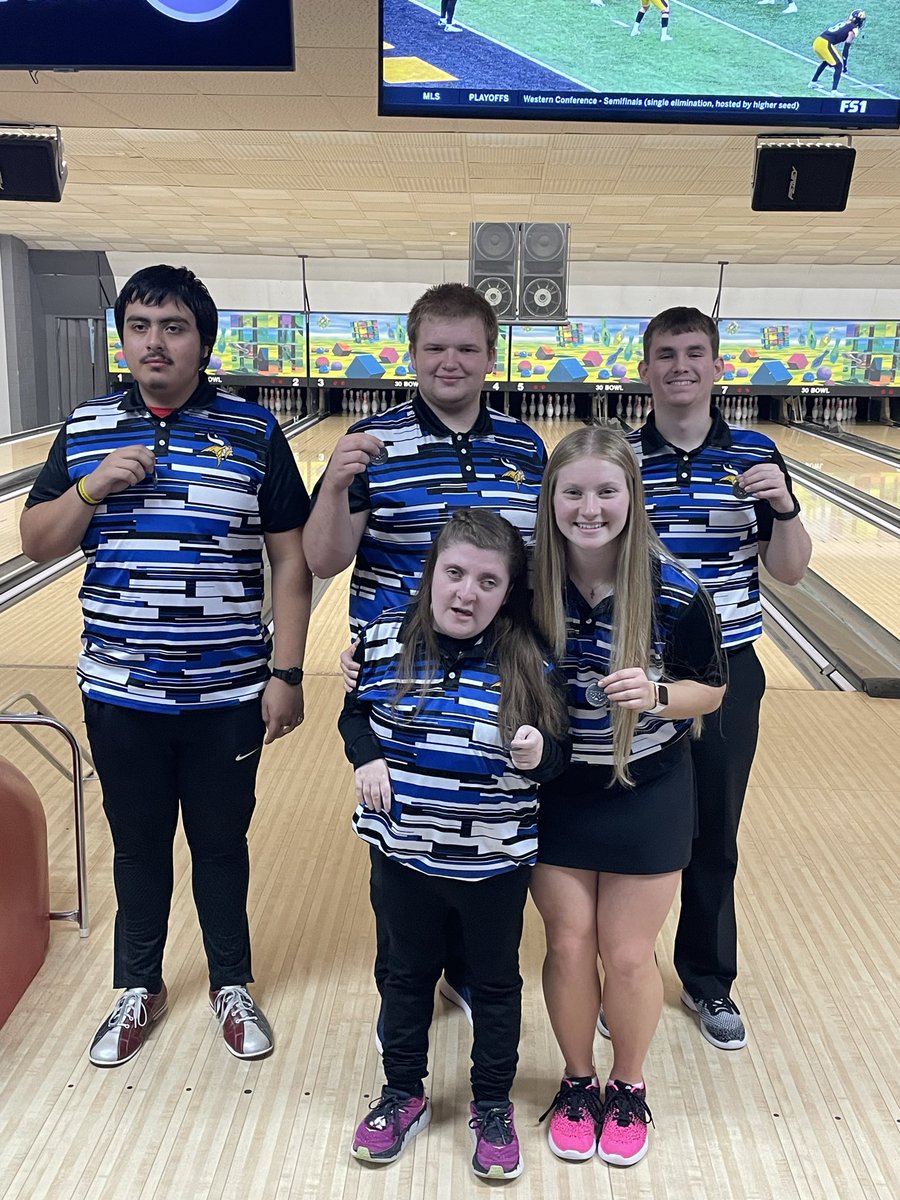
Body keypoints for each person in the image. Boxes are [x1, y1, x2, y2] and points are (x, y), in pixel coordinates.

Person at [20, 265, 312, 1066]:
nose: (155, 341)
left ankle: (232, 982)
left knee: (222, 843)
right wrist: (89, 487)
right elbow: (35, 540)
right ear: (124, 338)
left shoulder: (254, 434)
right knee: (138, 842)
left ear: (203, 343)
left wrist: (286, 674)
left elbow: (293, 561)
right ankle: (136, 987)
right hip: (120, 690)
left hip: (229, 690)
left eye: (173, 327)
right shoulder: (85, 428)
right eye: (141, 326)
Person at [304, 282, 546, 1034]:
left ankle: (470, 974)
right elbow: (321, 557)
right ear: (411, 354)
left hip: (493, 673)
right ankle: (403, 987)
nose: (451, 361)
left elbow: (535, 569)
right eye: (435, 347)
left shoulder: (523, 446)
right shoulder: (371, 444)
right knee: (401, 837)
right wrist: (338, 482)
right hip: (395, 676)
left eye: (466, 347)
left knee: (479, 819)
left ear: (489, 357)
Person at [339, 510, 570, 1179]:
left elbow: (556, 759)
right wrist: (364, 757)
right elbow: (354, 713)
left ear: (508, 592)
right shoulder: (382, 642)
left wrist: (536, 754)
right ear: (431, 573)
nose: (466, 593)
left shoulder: (531, 662)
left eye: (488, 581)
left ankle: (492, 1104)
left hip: (494, 865)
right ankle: (401, 1094)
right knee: (405, 980)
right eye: (455, 573)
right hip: (403, 857)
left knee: (497, 984)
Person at [531, 428, 726, 1167]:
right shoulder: (526, 583)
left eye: (606, 491)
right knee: (569, 944)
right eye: (572, 491)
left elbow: (712, 689)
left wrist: (657, 693)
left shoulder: (674, 589)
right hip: (558, 790)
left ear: (631, 499)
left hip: (647, 788)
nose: (589, 507)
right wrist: (372, 655)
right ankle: (578, 1083)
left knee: (629, 954)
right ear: (551, 499)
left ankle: (630, 1086)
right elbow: (456, 627)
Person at [626, 306, 811, 1051]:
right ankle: (623, 975)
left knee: (715, 830)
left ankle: (707, 981)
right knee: (628, 830)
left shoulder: (758, 453)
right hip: (632, 670)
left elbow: (791, 570)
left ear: (716, 366)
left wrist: (785, 504)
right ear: (644, 369)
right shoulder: (619, 457)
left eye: (694, 353)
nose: (680, 366)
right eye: (665, 354)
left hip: (729, 668)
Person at [810, 10, 866, 92]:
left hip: (818, 41)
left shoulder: (845, 23)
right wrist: (845, 65)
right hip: (825, 43)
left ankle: (813, 82)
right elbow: (846, 48)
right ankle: (834, 91)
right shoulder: (853, 30)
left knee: (826, 61)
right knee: (839, 66)